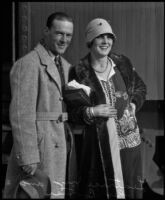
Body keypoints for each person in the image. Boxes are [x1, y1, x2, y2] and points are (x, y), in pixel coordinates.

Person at [67, 18, 146, 198]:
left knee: (132, 191)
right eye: (100, 37)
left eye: (109, 37)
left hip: (130, 145)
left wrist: (133, 103)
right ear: (90, 41)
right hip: (101, 146)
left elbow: (140, 87)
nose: (105, 41)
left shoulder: (122, 62)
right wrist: (92, 111)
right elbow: (72, 112)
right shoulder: (79, 72)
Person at [3, 12, 77, 199]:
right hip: (38, 150)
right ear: (46, 31)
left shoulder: (67, 67)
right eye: (59, 33)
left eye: (68, 35)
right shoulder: (28, 64)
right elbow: (21, 115)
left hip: (60, 146)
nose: (64, 40)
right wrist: (28, 156)